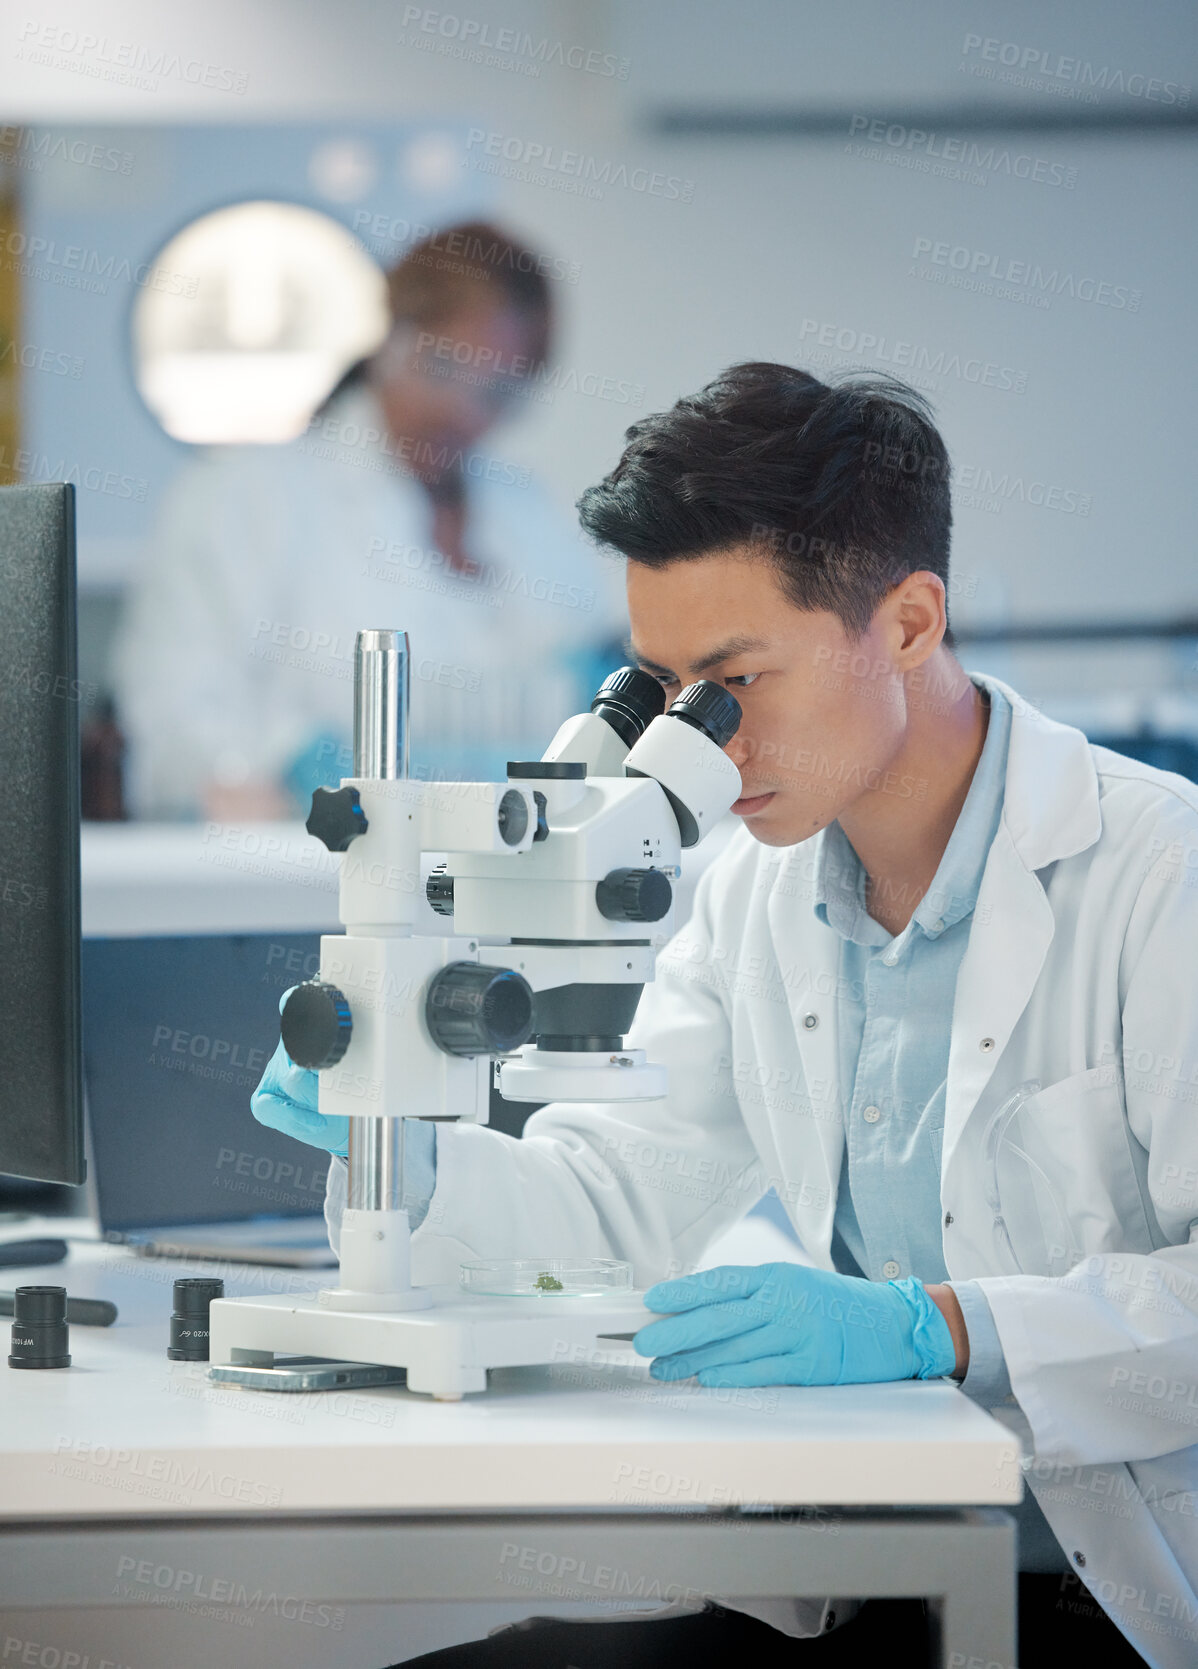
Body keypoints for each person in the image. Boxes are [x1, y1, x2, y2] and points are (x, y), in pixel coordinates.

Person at [252, 364, 1195, 1667]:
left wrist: (944, 1325)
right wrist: (406, 1163)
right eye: (662, 691)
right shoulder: (754, 888)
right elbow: (622, 1201)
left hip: (1112, 1586)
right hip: (874, 1551)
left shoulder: (1160, 877)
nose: (705, 743)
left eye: (735, 680)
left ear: (909, 624)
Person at [112, 221, 623, 820]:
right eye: (443, 370)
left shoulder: (531, 514)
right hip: (300, 874)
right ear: (390, 337)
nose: (461, 411)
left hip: (505, 864)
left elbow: (597, 690)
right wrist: (284, 774)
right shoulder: (244, 498)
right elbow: (170, 722)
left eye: (498, 392)